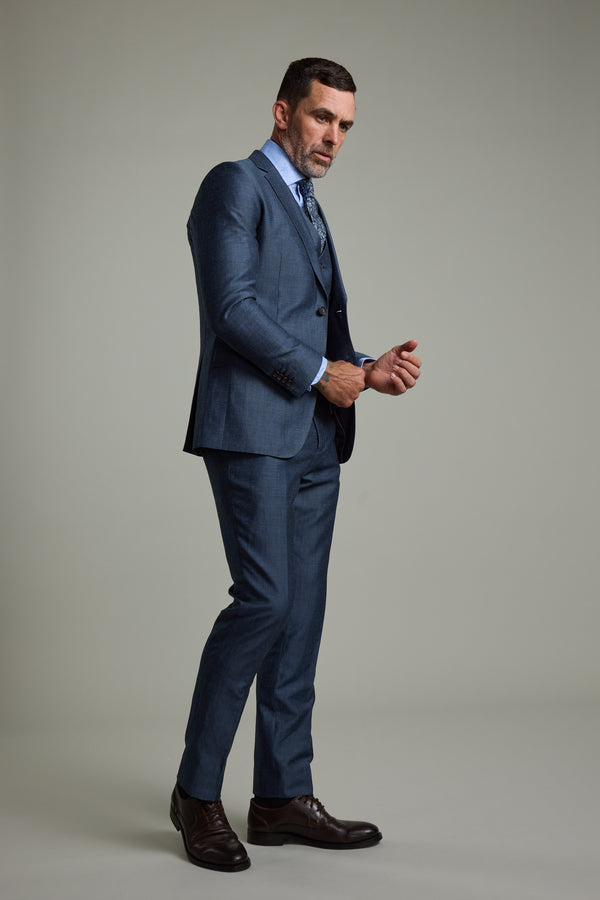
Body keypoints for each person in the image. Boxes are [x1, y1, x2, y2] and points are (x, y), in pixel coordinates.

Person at [171, 57, 421, 872]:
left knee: (301, 613)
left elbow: (306, 322)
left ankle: (280, 797)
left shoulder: (309, 206)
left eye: (345, 125)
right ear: (283, 112)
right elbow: (234, 308)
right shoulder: (233, 186)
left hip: (315, 435)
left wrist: (362, 369)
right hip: (251, 429)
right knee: (266, 599)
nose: (333, 138)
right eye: (322, 118)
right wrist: (321, 373)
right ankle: (196, 795)